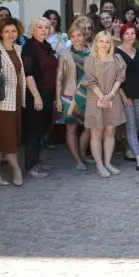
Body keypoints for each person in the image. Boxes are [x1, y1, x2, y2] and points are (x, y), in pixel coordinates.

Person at [82, 31, 126, 178]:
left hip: (113, 98)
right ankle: (99, 165)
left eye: (107, 41)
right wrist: (102, 97)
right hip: (95, 99)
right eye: (101, 41)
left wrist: (111, 95)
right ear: (96, 42)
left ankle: (107, 163)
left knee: (110, 131)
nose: (104, 44)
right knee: (96, 133)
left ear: (111, 43)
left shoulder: (117, 58)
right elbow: (89, 81)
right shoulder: (90, 59)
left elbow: (120, 78)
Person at [0, 18, 26, 186]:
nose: (11, 34)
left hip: (15, 100)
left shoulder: (18, 49)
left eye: (14, 31)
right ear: (0, 33)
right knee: (8, 138)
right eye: (7, 31)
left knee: (2, 138)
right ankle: (16, 170)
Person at [22, 16, 58, 179]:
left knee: (41, 129)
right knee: (33, 131)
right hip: (35, 95)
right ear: (32, 29)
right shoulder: (29, 47)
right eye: (40, 27)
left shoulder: (46, 46)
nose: (44, 30)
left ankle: (36, 161)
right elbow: (28, 74)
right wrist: (36, 97)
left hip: (47, 94)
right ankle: (30, 165)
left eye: (46, 27)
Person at [55, 22, 91, 171]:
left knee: (89, 128)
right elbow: (59, 79)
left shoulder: (92, 52)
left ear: (84, 36)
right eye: (73, 36)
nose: (76, 38)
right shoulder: (64, 53)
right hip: (69, 96)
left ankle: (82, 154)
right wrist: (58, 99)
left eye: (79, 35)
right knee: (71, 129)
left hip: (89, 95)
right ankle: (77, 159)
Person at [115, 23, 139, 171]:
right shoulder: (116, 53)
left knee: (136, 123)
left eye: (132, 33)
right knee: (131, 125)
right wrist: (123, 96)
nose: (130, 36)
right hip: (126, 94)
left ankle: (129, 151)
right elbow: (115, 77)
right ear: (122, 35)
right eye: (127, 33)